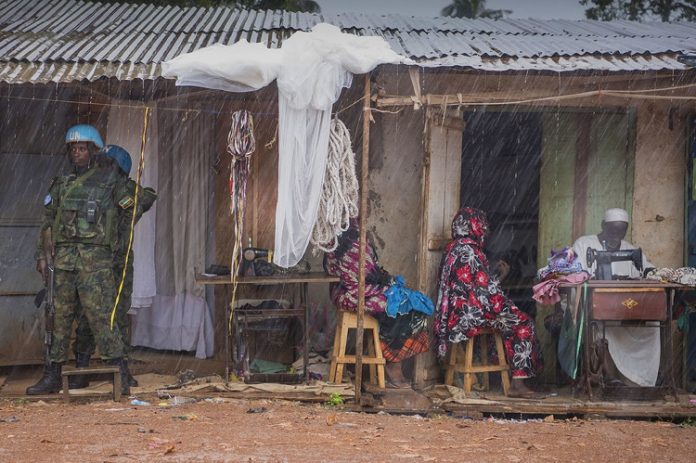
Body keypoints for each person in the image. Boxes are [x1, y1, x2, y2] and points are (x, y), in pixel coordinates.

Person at [27, 125, 133, 395]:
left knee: (102, 319)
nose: (77, 152)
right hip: (63, 262)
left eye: (82, 148)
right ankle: (52, 374)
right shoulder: (61, 184)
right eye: (73, 148)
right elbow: (48, 222)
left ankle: (120, 374)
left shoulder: (110, 182)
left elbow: (135, 203)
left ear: (94, 151)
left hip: (94, 262)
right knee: (58, 320)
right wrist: (42, 255)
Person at [69, 145, 157, 389]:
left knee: (117, 315)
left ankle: (122, 369)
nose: (100, 167)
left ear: (117, 168)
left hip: (117, 263)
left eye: (106, 164)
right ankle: (82, 369)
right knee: (87, 314)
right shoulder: (90, 188)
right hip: (93, 261)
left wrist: (125, 196)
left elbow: (147, 197)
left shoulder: (125, 191)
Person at [435, 207, 543, 398]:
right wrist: (508, 304)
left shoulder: (452, 249)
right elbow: (488, 295)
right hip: (469, 317)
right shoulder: (472, 252)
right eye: (483, 226)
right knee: (524, 324)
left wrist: (497, 279)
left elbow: (472, 287)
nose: (486, 231)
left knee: (504, 323)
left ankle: (494, 375)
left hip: (454, 315)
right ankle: (518, 384)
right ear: (475, 226)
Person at [324, 220, 431, 388]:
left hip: (361, 290)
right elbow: (357, 276)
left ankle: (393, 358)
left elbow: (369, 271)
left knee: (411, 302)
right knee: (399, 307)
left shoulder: (357, 237)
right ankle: (392, 362)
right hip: (349, 294)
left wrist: (385, 280)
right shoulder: (345, 240)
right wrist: (383, 284)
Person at [571, 207, 659, 387]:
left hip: (621, 306)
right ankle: (611, 376)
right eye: (613, 230)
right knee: (599, 322)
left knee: (654, 324)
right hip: (592, 303)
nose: (617, 235)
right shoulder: (584, 244)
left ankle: (640, 380)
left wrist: (652, 272)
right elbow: (573, 275)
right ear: (603, 225)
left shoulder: (630, 249)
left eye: (622, 230)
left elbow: (647, 267)